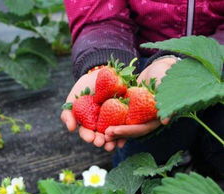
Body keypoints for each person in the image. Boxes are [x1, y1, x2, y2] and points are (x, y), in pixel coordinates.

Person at [60, 0, 224, 176]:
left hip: (216, 60)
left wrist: (184, 64)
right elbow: (97, 15)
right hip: (143, 68)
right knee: (146, 166)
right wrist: (102, 65)